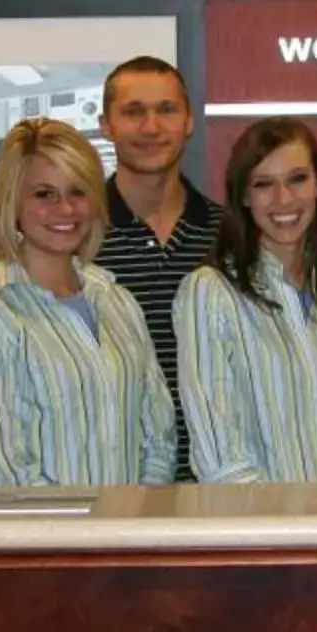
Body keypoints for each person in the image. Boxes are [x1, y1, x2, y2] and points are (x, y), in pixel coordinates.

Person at [0, 119, 177, 487]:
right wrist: (83, 536)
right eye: (44, 194)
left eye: (78, 191)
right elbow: (7, 472)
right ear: (13, 203)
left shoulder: (117, 301)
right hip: (42, 540)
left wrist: (131, 522)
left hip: (127, 534)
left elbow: (159, 436)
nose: (65, 208)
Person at [175, 117, 317, 483]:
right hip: (265, 533)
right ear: (243, 197)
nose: (284, 199)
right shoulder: (210, 292)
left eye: (297, 179)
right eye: (264, 184)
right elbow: (218, 455)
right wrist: (281, 534)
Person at [92, 57, 218, 478]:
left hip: (222, 486)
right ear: (106, 125)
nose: (150, 127)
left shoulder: (231, 236)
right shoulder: (76, 239)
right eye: (133, 112)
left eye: (166, 110)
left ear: (188, 121)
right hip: (118, 486)